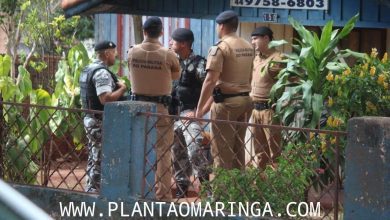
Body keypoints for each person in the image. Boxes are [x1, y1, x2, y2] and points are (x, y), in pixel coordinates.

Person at [127, 16, 180, 201]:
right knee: (163, 153)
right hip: (160, 108)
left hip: (136, 108)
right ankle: (163, 196)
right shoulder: (168, 54)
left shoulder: (132, 52)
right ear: (161, 32)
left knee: (137, 150)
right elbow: (175, 75)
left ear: (144, 31)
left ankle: (137, 192)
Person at [195, 10, 254, 170]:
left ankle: (221, 194)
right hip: (246, 101)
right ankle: (239, 192)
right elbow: (250, 77)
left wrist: (200, 109)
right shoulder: (248, 46)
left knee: (221, 151)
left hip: (227, 104)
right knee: (238, 149)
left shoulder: (220, 48)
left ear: (221, 26)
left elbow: (210, 80)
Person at [80, 40, 128, 192]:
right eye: (114, 52)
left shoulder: (88, 69)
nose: (116, 55)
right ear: (107, 53)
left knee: (95, 157)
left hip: (90, 118)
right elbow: (105, 99)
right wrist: (123, 88)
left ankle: (92, 189)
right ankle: (94, 192)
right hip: (99, 121)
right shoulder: (101, 72)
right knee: (100, 159)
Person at [168, 28, 211, 198]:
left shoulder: (200, 64)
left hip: (189, 115)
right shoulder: (172, 61)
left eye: (173, 41)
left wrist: (198, 112)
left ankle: (206, 186)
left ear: (184, 44)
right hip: (173, 115)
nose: (170, 43)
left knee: (195, 150)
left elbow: (214, 89)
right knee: (176, 152)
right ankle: (181, 186)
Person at [250, 26, 283, 170]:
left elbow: (293, 80)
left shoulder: (279, 59)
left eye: (255, 38)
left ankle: (277, 187)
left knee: (274, 151)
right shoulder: (257, 58)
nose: (252, 42)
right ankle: (261, 185)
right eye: (251, 39)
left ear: (266, 38)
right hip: (255, 111)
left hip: (270, 111)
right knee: (259, 152)